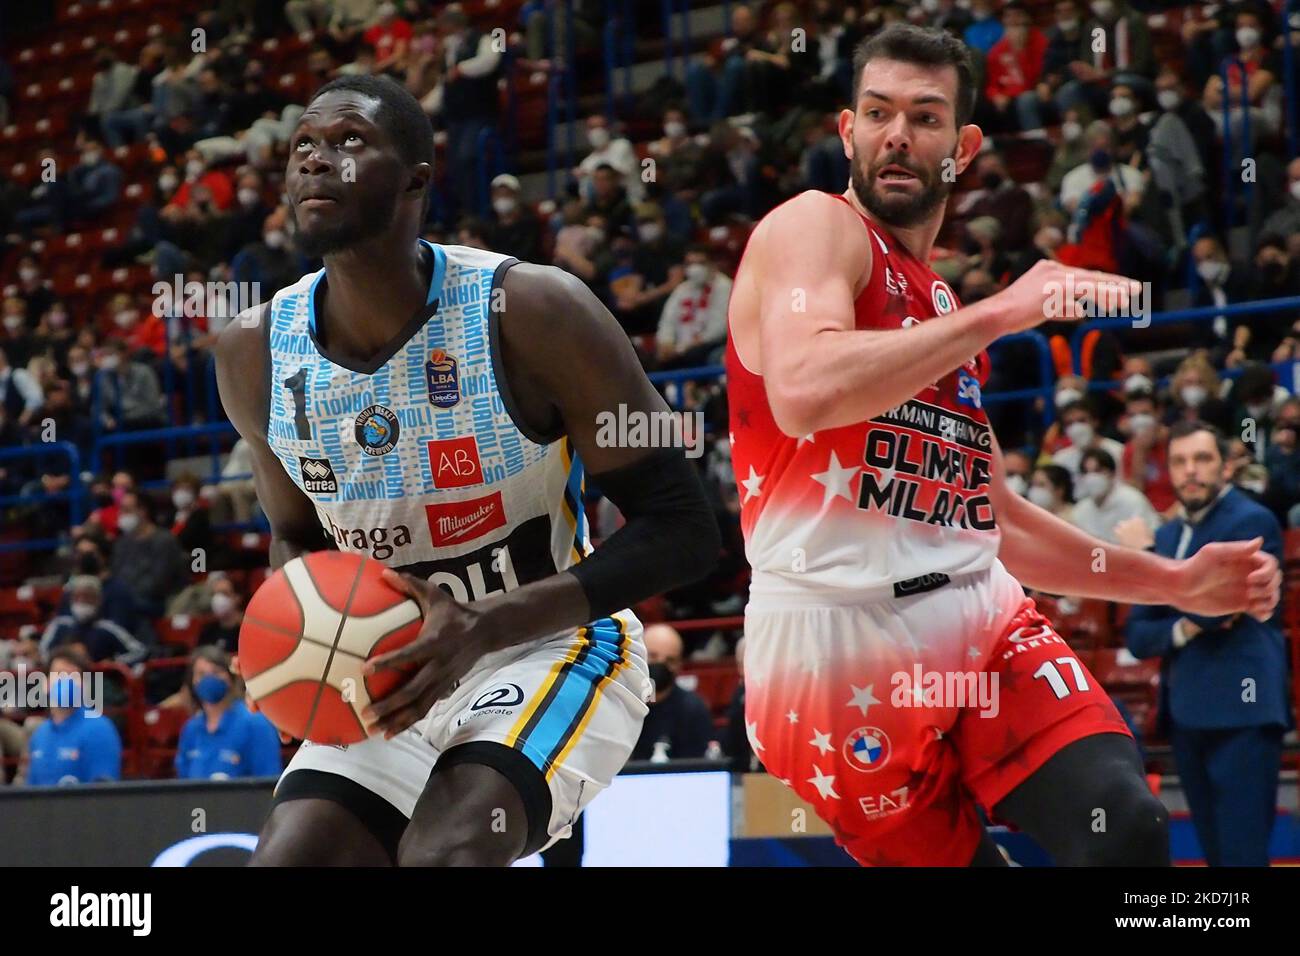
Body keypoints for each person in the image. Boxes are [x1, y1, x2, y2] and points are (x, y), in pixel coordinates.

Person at [723, 24, 1279, 868]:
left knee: (1124, 827)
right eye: (876, 113)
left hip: (976, 610)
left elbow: (998, 523)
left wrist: (1175, 585)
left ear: (964, 147)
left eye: (924, 116)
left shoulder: (942, 305)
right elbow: (803, 390)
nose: (897, 134)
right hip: (831, 653)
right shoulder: (814, 228)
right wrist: (1004, 312)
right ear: (846, 131)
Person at [214, 75, 718, 866]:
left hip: (552, 644)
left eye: (349, 141)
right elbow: (295, 535)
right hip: (388, 671)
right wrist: (299, 647)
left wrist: (483, 627)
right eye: (303, 146)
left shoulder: (535, 312)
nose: (315, 161)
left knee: (447, 854)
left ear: (417, 178)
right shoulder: (254, 351)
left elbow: (687, 529)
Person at [1126, 421, 1289, 866]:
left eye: (1201, 459)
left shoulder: (1249, 519)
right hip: (1187, 712)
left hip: (1243, 710)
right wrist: (1182, 624)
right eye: (1179, 462)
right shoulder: (1165, 535)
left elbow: (1219, 608)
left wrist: (1149, 564)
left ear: (1226, 467)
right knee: (1215, 857)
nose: (1190, 471)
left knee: (1242, 856)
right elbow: (1138, 636)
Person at [176, 646, 282, 779]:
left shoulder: (255, 724)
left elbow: (268, 780)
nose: (209, 679)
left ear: (230, 677)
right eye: (201, 674)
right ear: (192, 682)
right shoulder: (191, 729)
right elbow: (183, 785)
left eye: (216, 672)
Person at [25, 649, 122, 786]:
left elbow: (103, 797)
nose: (66, 681)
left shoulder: (99, 729)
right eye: (59, 674)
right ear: (45, 684)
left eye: (73, 675)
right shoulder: (39, 734)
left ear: (83, 685)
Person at [629, 624, 715, 762]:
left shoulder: (693, 710)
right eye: (653, 656)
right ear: (638, 655)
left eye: (670, 660)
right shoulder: (618, 702)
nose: (660, 664)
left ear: (679, 665)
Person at [38, 575, 148, 665]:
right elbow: (43, 652)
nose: (81, 601)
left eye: (87, 597)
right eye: (77, 597)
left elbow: (139, 651)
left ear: (98, 600)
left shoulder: (108, 629)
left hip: (98, 683)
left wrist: (114, 662)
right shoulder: (60, 625)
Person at [1069, 448, 1158, 544]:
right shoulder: (1081, 509)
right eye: (1086, 472)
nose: (1092, 478)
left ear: (1112, 473)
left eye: (1098, 471)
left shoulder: (1132, 500)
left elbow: (1151, 537)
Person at [197, 575, 244, 653]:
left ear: (237, 597)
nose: (218, 599)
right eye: (215, 594)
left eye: (224, 593)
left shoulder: (244, 630)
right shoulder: (207, 632)